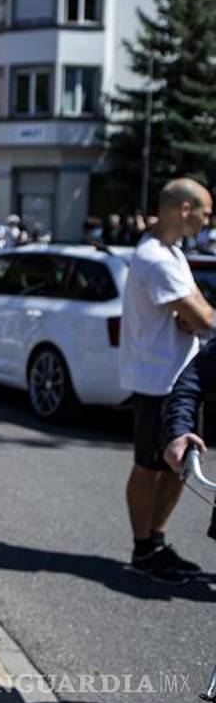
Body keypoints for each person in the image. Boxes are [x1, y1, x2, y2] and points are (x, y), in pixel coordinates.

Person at [118, 178, 214, 584]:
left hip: (178, 378)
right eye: (206, 212)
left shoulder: (172, 252)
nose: (209, 221)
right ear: (185, 209)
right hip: (158, 380)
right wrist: (196, 317)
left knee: (180, 466)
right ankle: (144, 549)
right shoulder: (155, 258)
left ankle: (156, 541)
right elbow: (205, 318)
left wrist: (194, 316)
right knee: (150, 467)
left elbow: (196, 313)